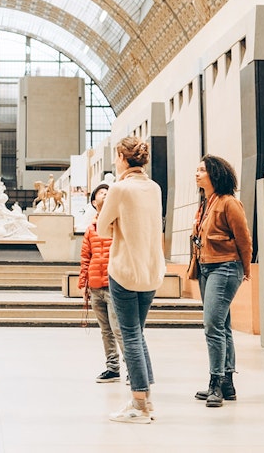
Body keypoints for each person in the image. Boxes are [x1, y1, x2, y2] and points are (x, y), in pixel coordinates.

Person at [96, 136, 165, 424]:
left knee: (130, 336)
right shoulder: (155, 187)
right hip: (150, 273)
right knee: (138, 333)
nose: (115, 161)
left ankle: (138, 403)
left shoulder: (119, 188)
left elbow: (102, 229)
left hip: (124, 272)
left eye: (116, 156)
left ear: (124, 158)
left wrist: (114, 222)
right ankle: (146, 399)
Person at [192, 154, 252, 408]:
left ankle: (215, 382)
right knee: (223, 325)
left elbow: (244, 240)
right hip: (206, 268)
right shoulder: (205, 203)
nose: (197, 174)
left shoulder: (229, 203)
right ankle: (227, 382)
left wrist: (246, 269)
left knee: (212, 326)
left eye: (202, 170)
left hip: (226, 267)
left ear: (215, 174)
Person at [79, 183, 124, 383]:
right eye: (100, 193)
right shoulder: (91, 229)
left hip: (115, 284)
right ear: (93, 201)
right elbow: (85, 257)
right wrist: (84, 285)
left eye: (108, 192)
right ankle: (112, 368)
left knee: (119, 329)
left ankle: (133, 369)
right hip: (96, 286)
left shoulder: (118, 223)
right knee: (106, 330)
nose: (105, 195)